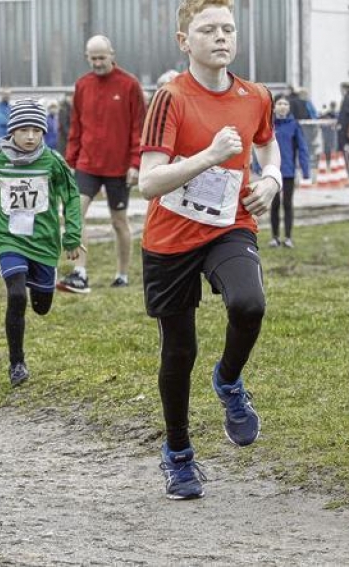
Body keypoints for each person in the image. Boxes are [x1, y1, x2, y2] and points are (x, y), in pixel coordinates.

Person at [137, 0, 280, 500]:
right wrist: (210, 157)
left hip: (228, 226)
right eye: (208, 29)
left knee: (249, 304)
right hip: (170, 239)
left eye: (228, 28)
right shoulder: (170, 98)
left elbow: (267, 144)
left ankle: (229, 381)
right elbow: (148, 182)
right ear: (184, 42)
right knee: (180, 351)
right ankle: (178, 454)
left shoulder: (255, 95)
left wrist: (273, 178)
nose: (221, 37)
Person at [0, 99, 82, 388]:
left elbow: (72, 197)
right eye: (23, 130)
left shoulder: (52, 161)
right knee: (17, 296)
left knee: (41, 306)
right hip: (9, 238)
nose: (30, 136)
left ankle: (39, 281)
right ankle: (16, 362)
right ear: (12, 131)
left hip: (43, 241)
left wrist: (72, 235)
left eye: (36, 130)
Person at [58, 34, 145, 293]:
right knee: (75, 215)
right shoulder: (82, 85)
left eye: (101, 57)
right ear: (87, 57)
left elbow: (138, 127)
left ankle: (122, 274)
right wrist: (70, 161)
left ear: (112, 54)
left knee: (119, 222)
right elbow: (76, 126)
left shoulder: (129, 85)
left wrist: (135, 163)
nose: (97, 62)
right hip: (87, 164)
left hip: (119, 168)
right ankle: (80, 272)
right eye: (92, 58)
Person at [267, 95, 310, 249]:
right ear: (274, 107)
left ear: (289, 107)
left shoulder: (294, 125)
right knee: (274, 204)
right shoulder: (269, 125)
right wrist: (259, 168)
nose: (283, 106)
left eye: (285, 103)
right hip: (272, 172)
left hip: (289, 172)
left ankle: (288, 237)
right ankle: (274, 237)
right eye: (279, 103)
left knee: (287, 204)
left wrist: (306, 171)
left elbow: (302, 149)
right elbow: (260, 146)